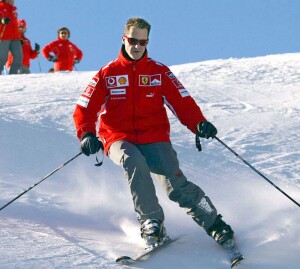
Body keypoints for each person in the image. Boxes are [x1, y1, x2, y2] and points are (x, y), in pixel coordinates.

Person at [73, 17, 240, 254]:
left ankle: (215, 223)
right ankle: (151, 222)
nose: (137, 46)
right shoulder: (107, 74)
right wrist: (87, 134)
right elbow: (84, 108)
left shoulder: (158, 72)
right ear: (124, 39)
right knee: (133, 161)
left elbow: (182, 102)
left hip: (154, 137)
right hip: (117, 137)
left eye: (142, 41)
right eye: (133, 40)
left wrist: (199, 123)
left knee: (176, 185)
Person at [0, 0, 22, 75]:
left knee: (18, 57)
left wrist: (20, 37)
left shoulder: (13, 10)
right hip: (4, 36)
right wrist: (1, 21)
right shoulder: (1, 6)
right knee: (2, 58)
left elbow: (15, 25)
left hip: (15, 37)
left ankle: (13, 75)